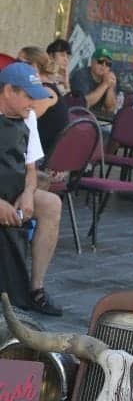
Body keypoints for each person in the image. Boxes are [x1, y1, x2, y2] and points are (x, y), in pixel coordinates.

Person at [0, 61, 63, 315]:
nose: (33, 103)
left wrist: (27, 193)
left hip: (12, 190)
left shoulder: (29, 118)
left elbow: (30, 169)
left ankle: (36, 289)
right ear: (8, 92)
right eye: (28, 96)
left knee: (51, 205)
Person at [18, 46, 69, 156]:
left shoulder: (46, 91)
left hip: (43, 158)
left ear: (35, 66)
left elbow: (26, 119)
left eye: (19, 62)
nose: (15, 66)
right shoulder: (43, 87)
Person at [70, 46, 118, 114]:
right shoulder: (81, 75)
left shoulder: (108, 78)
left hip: (97, 119)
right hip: (78, 115)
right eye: (100, 61)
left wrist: (110, 88)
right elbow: (84, 103)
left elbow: (110, 109)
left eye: (108, 64)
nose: (104, 66)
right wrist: (105, 84)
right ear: (92, 61)